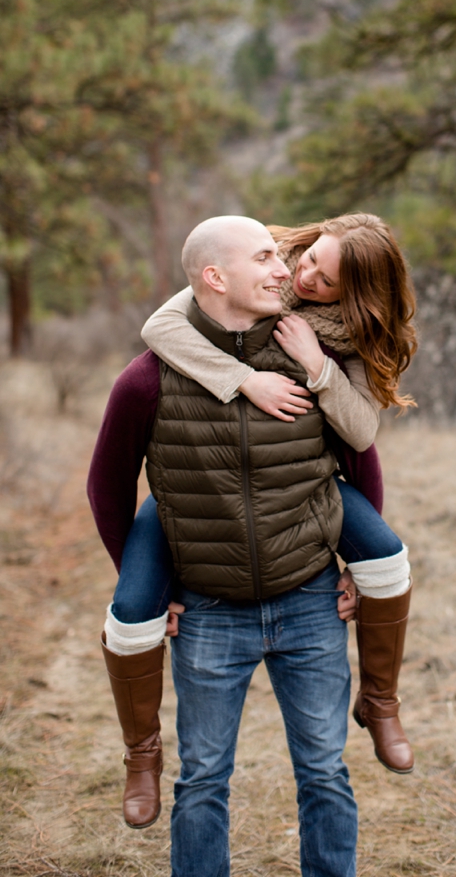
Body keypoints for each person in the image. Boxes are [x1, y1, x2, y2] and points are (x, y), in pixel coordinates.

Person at [88, 216, 359, 876]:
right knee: (203, 779)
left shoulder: (304, 354)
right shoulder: (146, 380)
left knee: (326, 770)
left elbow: (358, 460)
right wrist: (150, 592)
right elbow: (107, 485)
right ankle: (141, 755)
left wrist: (352, 562)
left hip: (311, 601)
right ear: (215, 277)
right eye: (263, 257)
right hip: (208, 612)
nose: (283, 269)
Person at [134, 212, 420, 777]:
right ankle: (139, 752)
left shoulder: (351, 339)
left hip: (304, 488)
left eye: (326, 280)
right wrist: (243, 379)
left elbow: (361, 437)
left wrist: (317, 365)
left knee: (388, 561)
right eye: (312, 256)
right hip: (206, 477)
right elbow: (160, 328)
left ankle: (381, 701)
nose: (304, 277)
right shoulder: (262, 265)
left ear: (355, 297)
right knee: (130, 608)